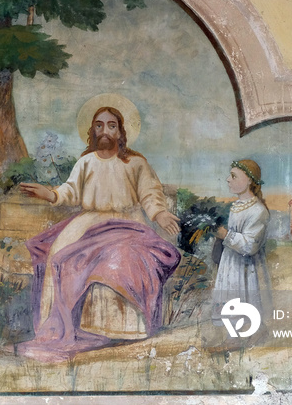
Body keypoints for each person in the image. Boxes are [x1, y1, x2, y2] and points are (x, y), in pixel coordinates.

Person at [19, 105, 181, 360]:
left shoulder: (136, 163)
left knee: (120, 255)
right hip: (89, 222)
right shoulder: (86, 162)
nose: (105, 131)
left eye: (111, 125)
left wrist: (159, 213)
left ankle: (122, 328)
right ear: (92, 130)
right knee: (60, 255)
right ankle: (67, 327)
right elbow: (69, 192)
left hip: (127, 223)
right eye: (99, 125)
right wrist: (49, 194)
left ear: (121, 131)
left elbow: (150, 194)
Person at [211, 159, 271, 328]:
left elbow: (250, 246)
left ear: (250, 180)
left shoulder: (258, 211)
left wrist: (225, 234)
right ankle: (232, 336)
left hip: (246, 267)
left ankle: (247, 334)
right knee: (229, 298)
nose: (228, 180)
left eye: (233, 176)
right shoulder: (233, 207)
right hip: (229, 263)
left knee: (243, 299)